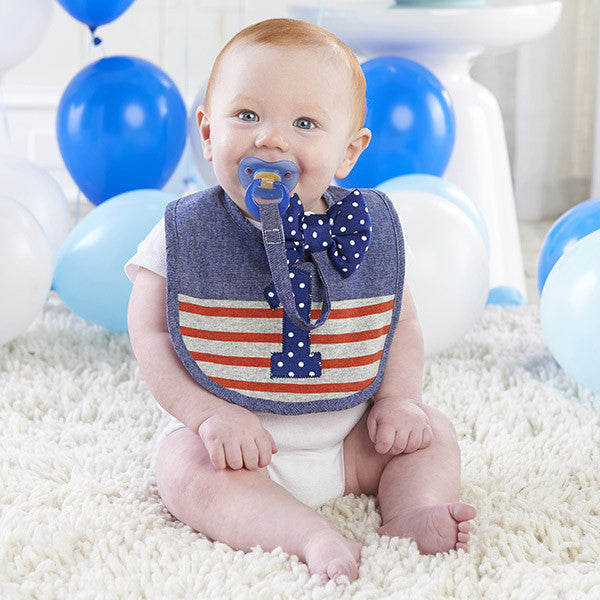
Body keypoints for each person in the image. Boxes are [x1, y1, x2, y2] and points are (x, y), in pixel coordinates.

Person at [126, 17, 476, 583]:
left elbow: (400, 320)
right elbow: (151, 333)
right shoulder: (184, 235)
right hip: (233, 443)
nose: (271, 139)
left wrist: (398, 400)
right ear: (209, 132)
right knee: (181, 469)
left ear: (348, 152)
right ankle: (304, 534)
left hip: (352, 436)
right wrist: (208, 415)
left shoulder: (364, 230)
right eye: (247, 115)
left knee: (431, 434)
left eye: (306, 123)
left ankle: (412, 512)